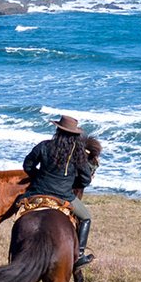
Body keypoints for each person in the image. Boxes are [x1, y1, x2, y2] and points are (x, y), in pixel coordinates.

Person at [22, 114, 96, 266]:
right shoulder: (78, 153)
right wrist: (70, 183)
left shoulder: (43, 146)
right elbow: (85, 180)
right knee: (86, 217)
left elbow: (27, 165)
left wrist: (40, 177)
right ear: (74, 136)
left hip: (38, 191)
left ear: (58, 130)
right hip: (64, 196)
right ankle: (80, 254)